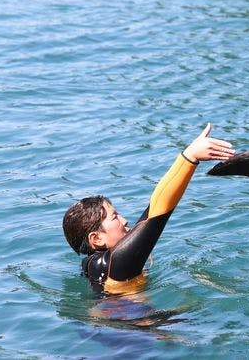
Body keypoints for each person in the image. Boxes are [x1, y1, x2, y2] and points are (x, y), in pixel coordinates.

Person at [62, 123, 234, 294]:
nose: (125, 220)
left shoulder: (96, 265)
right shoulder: (115, 262)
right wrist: (189, 157)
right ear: (97, 238)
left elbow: (151, 214)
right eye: (115, 217)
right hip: (135, 321)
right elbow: (157, 215)